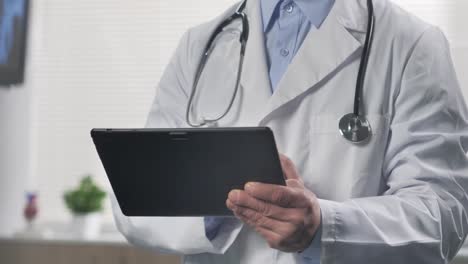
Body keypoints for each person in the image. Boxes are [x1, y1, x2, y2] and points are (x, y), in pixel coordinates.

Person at [111, 0, 468, 263]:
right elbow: (134, 202)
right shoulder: (198, 47)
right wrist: (215, 206)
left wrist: (325, 226)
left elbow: (443, 216)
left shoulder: (411, 45)